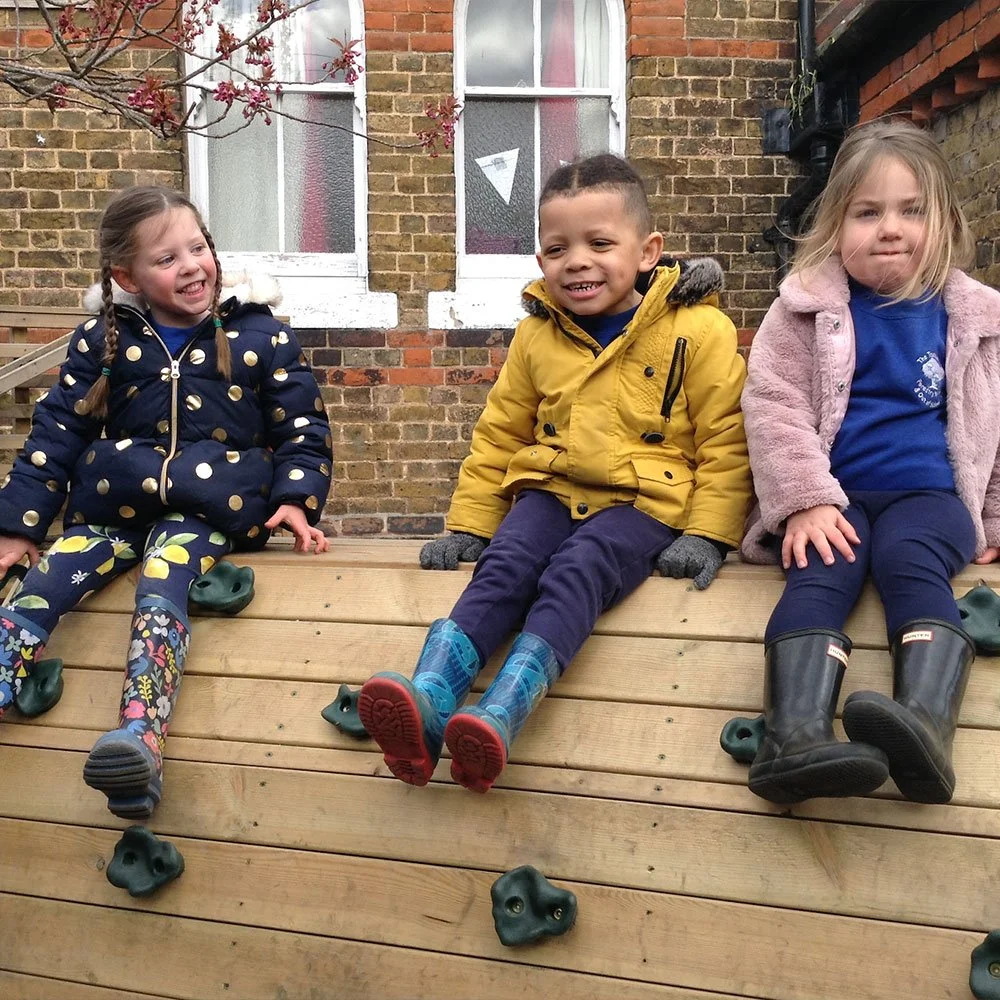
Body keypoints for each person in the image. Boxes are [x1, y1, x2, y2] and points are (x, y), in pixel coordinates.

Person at [359, 153, 751, 793]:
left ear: (648, 250)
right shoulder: (536, 336)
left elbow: (727, 439)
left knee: (579, 569)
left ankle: (500, 715)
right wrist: (473, 524)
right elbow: (500, 434)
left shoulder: (698, 329)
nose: (577, 261)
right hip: (551, 489)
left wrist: (707, 532)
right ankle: (428, 702)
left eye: (600, 243)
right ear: (540, 260)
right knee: (506, 565)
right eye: (557, 248)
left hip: (645, 501)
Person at [0, 185, 331, 819]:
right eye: (166, 258)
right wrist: (20, 525)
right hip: (112, 507)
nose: (191, 266)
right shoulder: (105, 339)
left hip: (208, 510)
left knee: (165, 574)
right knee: (48, 578)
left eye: (198, 248)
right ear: (127, 275)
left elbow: (302, 428)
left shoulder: (259, 334)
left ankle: (140, 738)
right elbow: (57, 433)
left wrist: (296, 501)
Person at [740, 118, 1000, 806]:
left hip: (930, 498)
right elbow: (773, 405)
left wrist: (995, 516)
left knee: (910, 559)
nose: (891, 227)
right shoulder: (803, 309)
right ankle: (793, 737)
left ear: (941, 221)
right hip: (836, 496)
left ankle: (925, 725)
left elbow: (995, 428)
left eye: (912, 211)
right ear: (835, 224)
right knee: (821, 573)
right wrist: (804, 499)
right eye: (869, 212)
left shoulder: (975, 317)